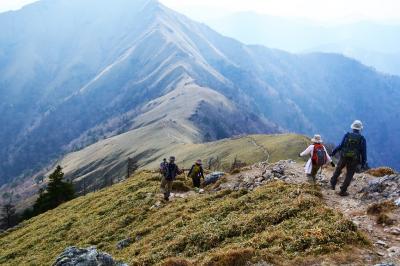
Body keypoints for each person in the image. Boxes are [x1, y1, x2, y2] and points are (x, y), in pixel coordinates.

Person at [330, 120, 367, 196]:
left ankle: (332, 184)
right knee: (349, 174)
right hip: (354, 159)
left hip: (344, 156)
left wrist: (333, 152)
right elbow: (363, 152)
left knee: (338, 169)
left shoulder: (347, 135)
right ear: (360, 129)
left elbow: (341, 145)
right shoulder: (362, 139)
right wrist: (363, 163)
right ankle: (343, 190)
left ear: (352, 128)